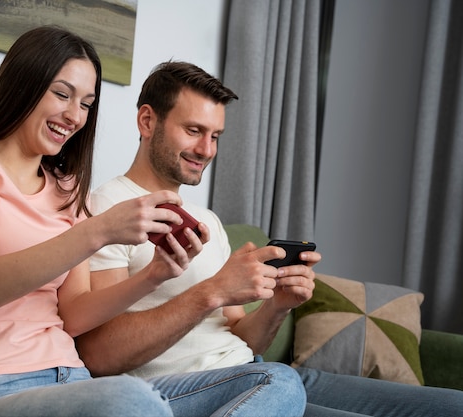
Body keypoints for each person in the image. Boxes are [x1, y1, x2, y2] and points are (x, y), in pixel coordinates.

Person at [76, 60, 463, 417]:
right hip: (187, 392)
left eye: (215, 136)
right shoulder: (108, 211)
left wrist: (278, 306)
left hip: (253, 377)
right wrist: (212, 291)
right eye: (193, 131)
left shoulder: (206, 219)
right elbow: (101, 355)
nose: (206, 150)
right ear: (147, 121)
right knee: (283, 380)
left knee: (450, 405)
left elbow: (243, 339)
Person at [0, 26, 202, 417]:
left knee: (274, 380)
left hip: (72, 378)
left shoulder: (66, 187)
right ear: (24, 83)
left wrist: (154, 275)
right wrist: (98, 230)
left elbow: (73, 314)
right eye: (62, 94)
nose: (75, 116)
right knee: (133, 399)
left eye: (86, 104)